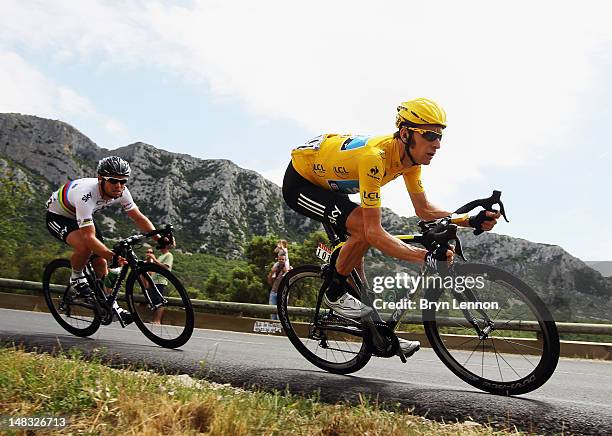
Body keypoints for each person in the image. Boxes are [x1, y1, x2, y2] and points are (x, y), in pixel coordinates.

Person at [282, 98, 501, 358]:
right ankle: (334, 291)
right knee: (365, 227)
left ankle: (377, 332)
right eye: (430, 135)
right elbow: (374, 232)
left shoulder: (410, 161)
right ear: (407, 134)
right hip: (302, 183)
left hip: (330, 181)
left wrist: (468, 219)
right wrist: (424, 256)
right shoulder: (375, 159)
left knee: (359, 264)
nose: (437, 144)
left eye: (440, 136)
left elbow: (424, 210)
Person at [45, 156, 164, 325]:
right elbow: (88, 237)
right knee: (86, 248)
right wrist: (111, 255)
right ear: (101, 179)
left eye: (123, 181)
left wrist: (158, 237)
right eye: (114, 181)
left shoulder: (122, 191)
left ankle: (112, 306)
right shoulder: (86, 194)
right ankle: (76, 277)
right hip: (59, 216)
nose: (119, 186)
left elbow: (138, 217)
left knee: (101, 263)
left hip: (81, 217)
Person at [145, 245, 174, 324]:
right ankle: (154, 320)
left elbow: (166, 267)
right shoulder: (161, 256)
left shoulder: (169, 255)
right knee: (155, 301)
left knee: (160, 301)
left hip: (161, 281)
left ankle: (157, 321)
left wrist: (154, 259)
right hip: (154, 281)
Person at [267, 253, 290, 320]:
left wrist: (287, 272)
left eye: (283, 259)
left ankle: (280, 329)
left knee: (280, 315)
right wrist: (271, 273)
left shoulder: (289, 269)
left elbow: (291, 282)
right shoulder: (275, 269)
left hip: (283, 294)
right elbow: (269, 282)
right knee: (272, 313)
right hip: (273, 292)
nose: (281, 260)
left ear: (285, 260)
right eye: (280, 259)